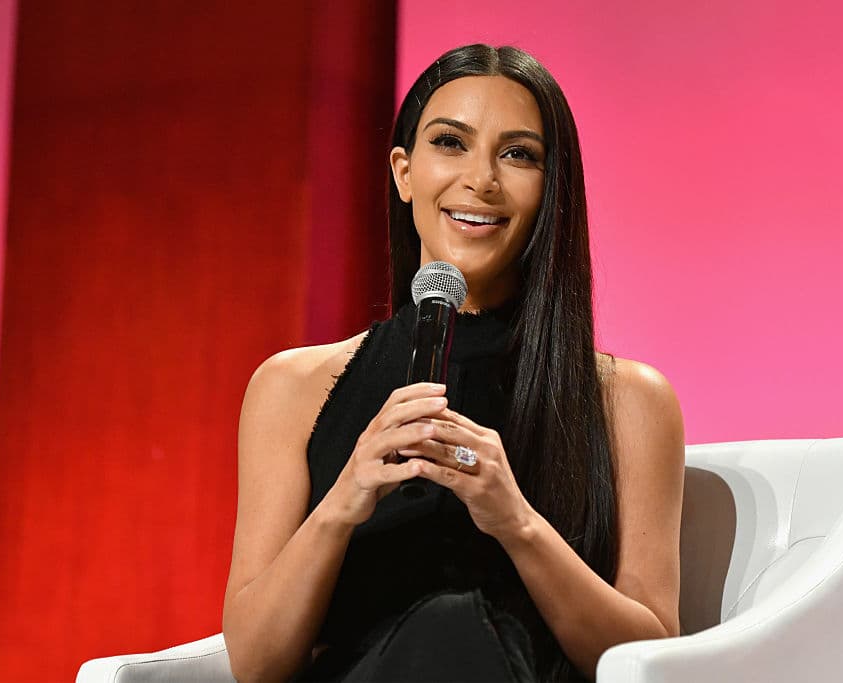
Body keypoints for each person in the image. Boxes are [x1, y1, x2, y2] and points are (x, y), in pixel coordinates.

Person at [221, 44, 685, 683]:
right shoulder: (292, 387)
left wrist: (516, 522)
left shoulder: (626, 399)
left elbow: (653, 654)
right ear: (404, 173)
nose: (482, 179)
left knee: (455, 627)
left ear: (552, 188)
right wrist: (344, 499)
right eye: (450, 143)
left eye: (518, 154)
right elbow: (255, 664)